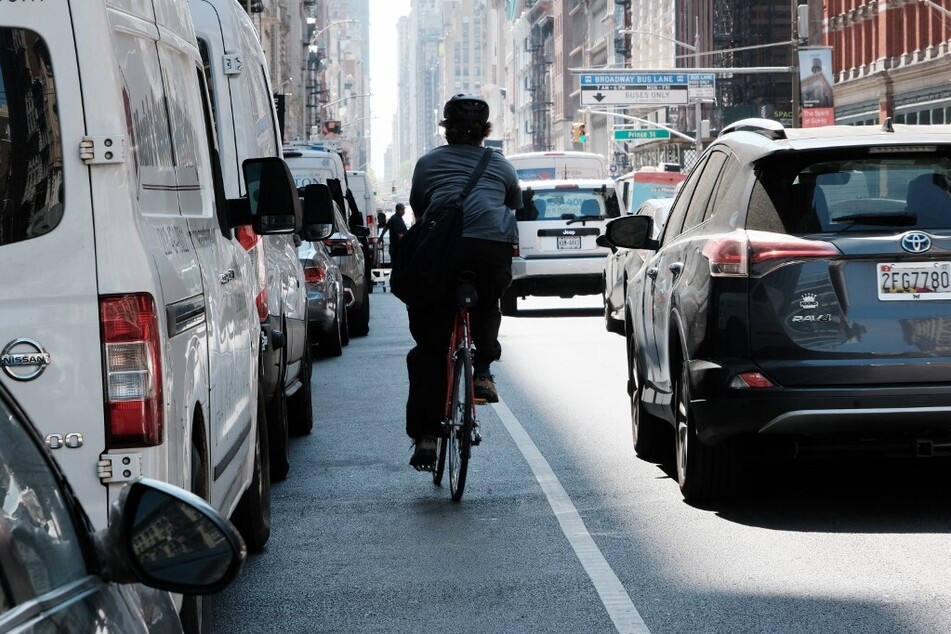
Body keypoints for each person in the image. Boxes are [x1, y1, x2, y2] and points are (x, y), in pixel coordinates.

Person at [404, 94, 522, 470]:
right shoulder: (500, 164)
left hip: (443, 251)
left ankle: (426, 438)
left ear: (447, 129)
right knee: (488, 302)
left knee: (430, 348)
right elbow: (513, 203)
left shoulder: (427, 164)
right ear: (485, 131)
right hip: (491, 250)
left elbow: (420, 209)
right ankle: (483, 371)